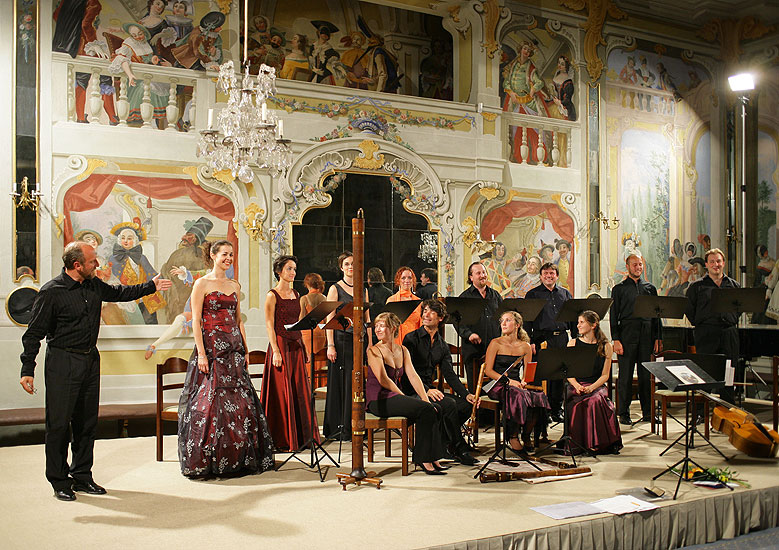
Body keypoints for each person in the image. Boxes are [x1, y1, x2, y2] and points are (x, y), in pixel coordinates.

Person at [20, 241, 172, 501]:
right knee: (58, 425)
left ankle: (82, 476)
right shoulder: (51, 292)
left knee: (86, 423)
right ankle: (59, 481)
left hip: (90, 360)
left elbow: (120, 293)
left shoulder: (93, 285)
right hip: (62, 362)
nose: (98, 264)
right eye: (92, 261)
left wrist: (151, 286)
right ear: (77, 265)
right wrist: (27, 368)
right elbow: (33, 334)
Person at [177, 240, 273, 476]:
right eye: (224, 254)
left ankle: (237, 457)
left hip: (234, 347)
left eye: (231, 255)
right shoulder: (201, 283)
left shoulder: (234, 285)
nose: (229, 258)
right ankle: (212, 458)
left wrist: (246, 349)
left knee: (240, 401)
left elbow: (239, 319)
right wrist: (201, 353)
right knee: (211, 403)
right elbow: (197, 320)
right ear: (213, 255)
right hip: (211, 348)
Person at [367, 312, 448, 474]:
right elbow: (384, 380)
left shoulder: (402, 350)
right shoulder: (373, 351)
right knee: (426, 410)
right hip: (378, 400)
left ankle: (431, 456)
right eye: (376, 326)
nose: (377, 329)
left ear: (393, 328)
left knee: (434, 408)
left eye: (382, 325)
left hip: (395, 397)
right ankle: (423, 458)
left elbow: (413, 376)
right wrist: (403, 397)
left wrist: (426, 400)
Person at [403, 299, 479, 465]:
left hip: (430, 390)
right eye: (424, 311)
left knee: (465, 405)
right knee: (449, 404)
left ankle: (444, 442)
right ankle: (459, 448)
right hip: (411, 390)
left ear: (441, 318)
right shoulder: (411, 339)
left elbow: (450, 375)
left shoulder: (442, 345)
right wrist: (426, 390)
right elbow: (407, 373)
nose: (426, 315)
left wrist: (467, 395)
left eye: (431, 312)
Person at [261, 255, 320, 451]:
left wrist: (304, 347)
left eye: (294, 269)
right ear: (279, 272)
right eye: (289, 269)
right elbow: (269, 325)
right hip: (280, 346)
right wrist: (276, 351)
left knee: (299, 392)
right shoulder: (272, 295)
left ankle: (302, 437)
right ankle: (283, 439)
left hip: (295, 345)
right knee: (282, 392)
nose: (293, 272)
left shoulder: (296, 294)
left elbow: (299, 324)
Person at [484, 311, 550, 452]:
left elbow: (527, 374)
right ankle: (512, 436)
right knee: (517, 394)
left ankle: (526, 434)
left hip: (516, 385)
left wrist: (525, 382)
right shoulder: (495, 343)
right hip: (497, 384)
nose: (503, 323)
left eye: (508, 320)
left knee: (538, 397)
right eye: (502, 320)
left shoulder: (525, 346)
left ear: (517, 325)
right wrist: (509, 381)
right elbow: (488, 371)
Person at [324, 251, 371, 440]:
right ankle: (340, 428)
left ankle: (357, 424)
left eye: (353, 264)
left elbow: (367, 319)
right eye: (347, 264)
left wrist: (370, 344)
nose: (351, 267)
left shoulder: (363, 289)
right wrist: (330, 345)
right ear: (341, 267)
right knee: (342, 382)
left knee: (357, 383)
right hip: (341, 340)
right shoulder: (335, 288)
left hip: (359, 341)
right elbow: (329, 317)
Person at [610, 254, 662, 425]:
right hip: (627, 334)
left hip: (646, 334)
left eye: (640, 264)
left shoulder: (650, 288)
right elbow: (613, 316)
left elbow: (657, 315)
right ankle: (623, 413)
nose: (638, 267)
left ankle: (648, 412)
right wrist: (616, 339)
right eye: (634, 265)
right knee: (625, 376)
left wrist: (657, 337)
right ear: (627, 266)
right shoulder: (619, 289)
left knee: (645, 376)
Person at [685, 248, 739, 403]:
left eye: (719, 261)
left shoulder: (733, 285)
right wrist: (702, 323)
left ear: (723, 263)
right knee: (704, 373)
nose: (716, 264)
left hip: (728, 333)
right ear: (707, 265)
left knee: (729, 372)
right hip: (706, 334)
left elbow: (739, 309)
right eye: (712, 262)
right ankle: (702, 412)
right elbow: (689, 310)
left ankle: (727, 411)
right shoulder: (697, 287)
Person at [525, 262, 577, 423]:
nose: (549, 276)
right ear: (541, 277)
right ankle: (542, 411)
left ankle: (556, 409)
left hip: (562, 338)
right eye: (546, 273)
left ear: (556, 276)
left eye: (552, 273)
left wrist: (575, 338)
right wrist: (530, 342)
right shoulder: (532, 295)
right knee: (541, 375)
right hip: (541, 339)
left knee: (560, 375)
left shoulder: (565, 294)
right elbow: (527, 321)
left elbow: (573, 318)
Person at [566, 311, 622, 455]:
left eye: (581, 322)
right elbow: (568, 372)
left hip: (596, 385)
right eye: (578, 322)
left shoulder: (605, 346)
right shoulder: (572, 343)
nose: (578, 325)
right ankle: (579, 444)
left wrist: (591, 387)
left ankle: (596, 444)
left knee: (595, 400)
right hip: (576, 384)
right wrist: (578, 385)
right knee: (580, 402)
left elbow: (605, 375)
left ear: (593, 325)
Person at [457, 262, 503, 392]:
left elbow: (503, 317)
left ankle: (491, 412)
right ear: (471, 277)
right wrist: (469, 334)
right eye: (478, 273)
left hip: (494, 348)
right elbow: (458, 322)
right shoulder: (465, 297)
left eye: (483, 272)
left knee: (494, 388)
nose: (482, 275)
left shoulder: (495, 295)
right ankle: (476, 412)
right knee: (475, 388)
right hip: (473, 351)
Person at [300, 272, 327, 384]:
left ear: (307, 284)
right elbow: (325, 320)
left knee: (309, 359)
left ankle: (309, 385)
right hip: (321, 333)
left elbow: (301, 319)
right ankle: (320, 384)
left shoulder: (304, 299)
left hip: (307, 333)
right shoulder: (324, 298)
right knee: (320, 359)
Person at [386, 266, 422, 344]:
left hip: (414, 342)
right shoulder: (391, 300)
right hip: (395, 342)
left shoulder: (419, 302)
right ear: (398, 280)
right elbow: (387, 324)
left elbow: (421, 327)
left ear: (413, 280)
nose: (407, 280)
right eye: (403, 278)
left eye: (409, 277)